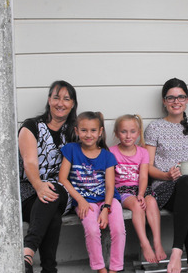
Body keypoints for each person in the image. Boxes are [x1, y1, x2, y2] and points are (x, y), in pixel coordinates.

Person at [144, 78, 188, 273]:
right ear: (164, 101)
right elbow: (147, 167)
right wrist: (166, 175)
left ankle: (177, 252)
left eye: (180, 97)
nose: (176, 101)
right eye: (171, 97)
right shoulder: (155, 128)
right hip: (164, 187)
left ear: (187, 100)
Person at [18, 80, 77, 273]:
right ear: (49, 100)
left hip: (62, 192)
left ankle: (28, 250)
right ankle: (49, 269)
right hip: (29, 191)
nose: (61, 103)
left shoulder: (74, 132)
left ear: (73, 104)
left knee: (55, 190)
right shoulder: (31, 127)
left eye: (66, 99)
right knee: (52, 216)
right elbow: (30, 163)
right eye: (56, 97)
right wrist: (38, 185)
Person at [58, 111, 125, 273]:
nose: (88, 135)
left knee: (118, 229)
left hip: (108, 199)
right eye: (84, 130)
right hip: (85, 201)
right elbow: (63, 178)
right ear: (76, 131)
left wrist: (106, 208)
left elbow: (110, 186)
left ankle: (115, 269)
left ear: (100, 132)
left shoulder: (107, 156)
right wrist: (80, 200)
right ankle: (100, 269)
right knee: (92, 229)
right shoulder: (71, 150)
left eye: (93, 130)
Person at [110, 114, 165, 263]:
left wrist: (141, 193)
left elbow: (143, 177)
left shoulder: (143, 152)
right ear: (116, 133)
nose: (128, 136)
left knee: (151, 202)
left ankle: (157, 242)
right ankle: (145, 243)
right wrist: (136, 197)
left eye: (133, 131)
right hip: (122, 190)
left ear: (138, 132)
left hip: (140, 188)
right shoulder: (111, 152)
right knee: (136, 205)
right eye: (123, 132)